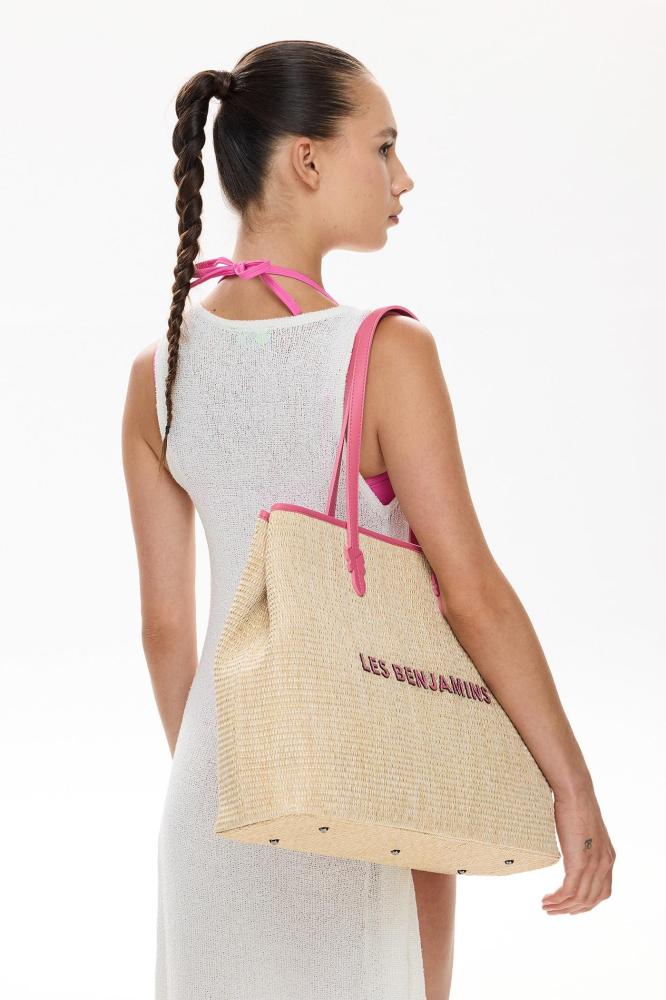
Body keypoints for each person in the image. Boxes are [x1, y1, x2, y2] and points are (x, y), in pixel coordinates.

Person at [121, 39, 615, 1000]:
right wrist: (572, 785)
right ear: (307, 159)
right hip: (362, 800)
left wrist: (246, 777)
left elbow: (165, 628)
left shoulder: (159, 371)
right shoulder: (386, 352)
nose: (404, 176)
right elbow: (470, 594)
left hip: (212, 801)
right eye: (383, 146)